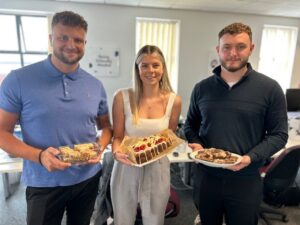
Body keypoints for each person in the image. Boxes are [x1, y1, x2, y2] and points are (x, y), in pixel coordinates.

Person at [0, 11, 112, 225]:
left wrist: (100, 146)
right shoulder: (18, 80)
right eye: (63, 37)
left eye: (78, 40)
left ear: (85, 42)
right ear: (51, 39)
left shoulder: (95, 85)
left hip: (87, 179)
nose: (71, 45)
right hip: (43, 181)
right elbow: (2, 133)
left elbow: (106, 127)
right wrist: (40, 156)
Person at [184, 22, 288, 225]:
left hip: (246, 180)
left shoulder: (270, 88)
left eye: (240, 46)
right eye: (227, 47)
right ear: (218, 50)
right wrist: (196, 143)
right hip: (207, 178)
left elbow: (279, 135)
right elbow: (190, 125)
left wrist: (250, 157)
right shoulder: (201, 88)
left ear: (251, 48)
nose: (233, 53)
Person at [110, 45, 181, 225]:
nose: (151, 71)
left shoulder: (174, 100)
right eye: (145, 65)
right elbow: (117, 137)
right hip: (127, 165)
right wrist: (116, 152)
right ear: (137, 69)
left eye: (155, 65)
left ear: (163, 68)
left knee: (155, 219)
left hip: (157, 167)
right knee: (123, 219)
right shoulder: (122, 97)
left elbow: (169, 136)